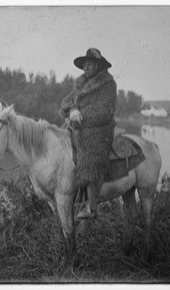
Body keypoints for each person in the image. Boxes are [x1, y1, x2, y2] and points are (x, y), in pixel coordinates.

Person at [59, 48, 117, 219]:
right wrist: (73, 109)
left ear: (98, 66)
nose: (86, 67)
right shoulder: (80, 83)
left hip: (100, 129)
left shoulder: (108, 85)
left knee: (90, 155)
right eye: (84, 65)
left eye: (90, 64)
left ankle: (91, 207)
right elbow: (66, 101)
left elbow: (105, 111)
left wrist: (80, 117)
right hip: (78, 125)